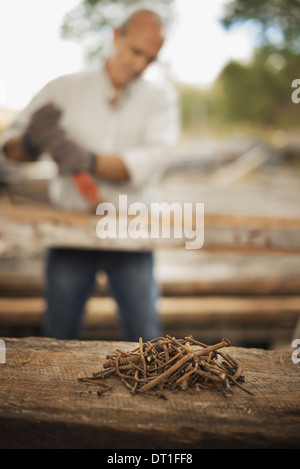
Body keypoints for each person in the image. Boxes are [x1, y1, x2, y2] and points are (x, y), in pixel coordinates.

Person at [0, 6, 180, 341]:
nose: (140, 64)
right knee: (58, 334)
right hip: (70, 230)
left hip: (131, 230)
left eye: (150, 59)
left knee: (144, 333)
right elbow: (9, 148)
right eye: (135, 51)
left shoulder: (161, 101)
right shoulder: (64, 88)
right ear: (115, 36)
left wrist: (88, 160)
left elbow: (155, 158)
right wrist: (32, 140)